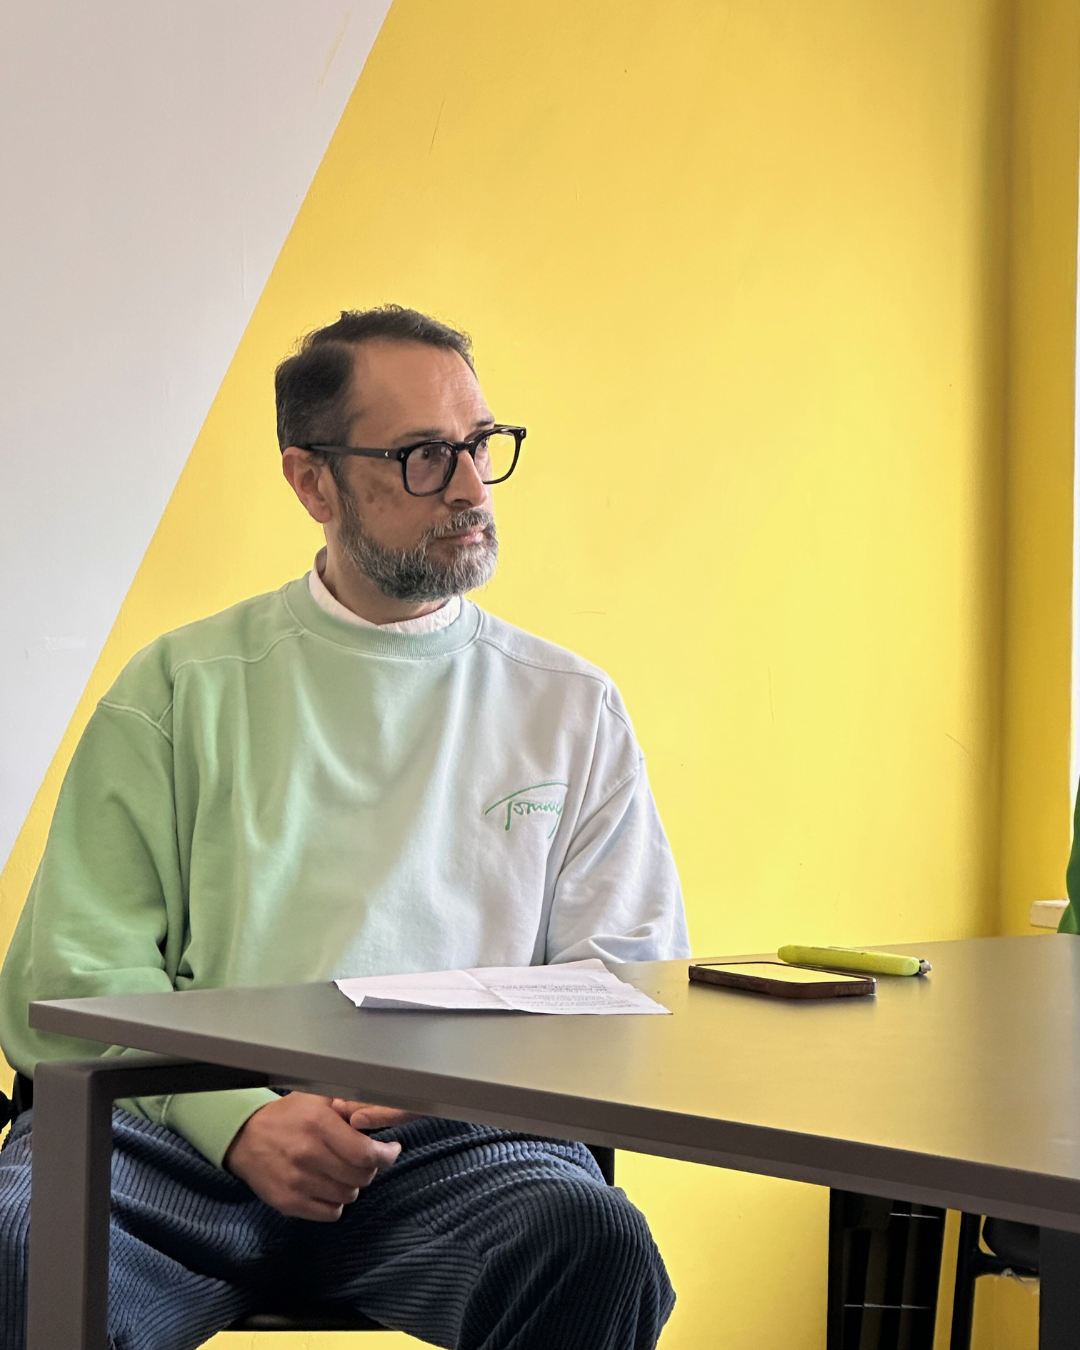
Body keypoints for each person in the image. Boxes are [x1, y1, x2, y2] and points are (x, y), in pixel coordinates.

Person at [0, 306, 689, 1350]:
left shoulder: (569, 707)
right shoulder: (180, 688)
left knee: (595, 1246)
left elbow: (624, 985)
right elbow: (74, 971)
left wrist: (429, 1088)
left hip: (456, 1145)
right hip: (177, 1130)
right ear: (311, 482)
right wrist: (241, 1121)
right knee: (16, 1245)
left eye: (480, 444)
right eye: (423, 456)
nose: (469, 487)